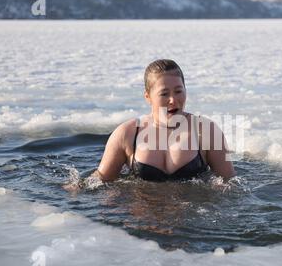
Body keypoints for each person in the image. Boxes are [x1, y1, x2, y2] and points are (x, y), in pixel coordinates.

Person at [94, 59, 235, 182]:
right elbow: (101, 181)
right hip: (143, 210)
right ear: (148, 97)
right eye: (164, 94)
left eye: (178, 91)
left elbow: (230, 184)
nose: (173, 100)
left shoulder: (206, 131)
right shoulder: (127, 133)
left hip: (191, 211)